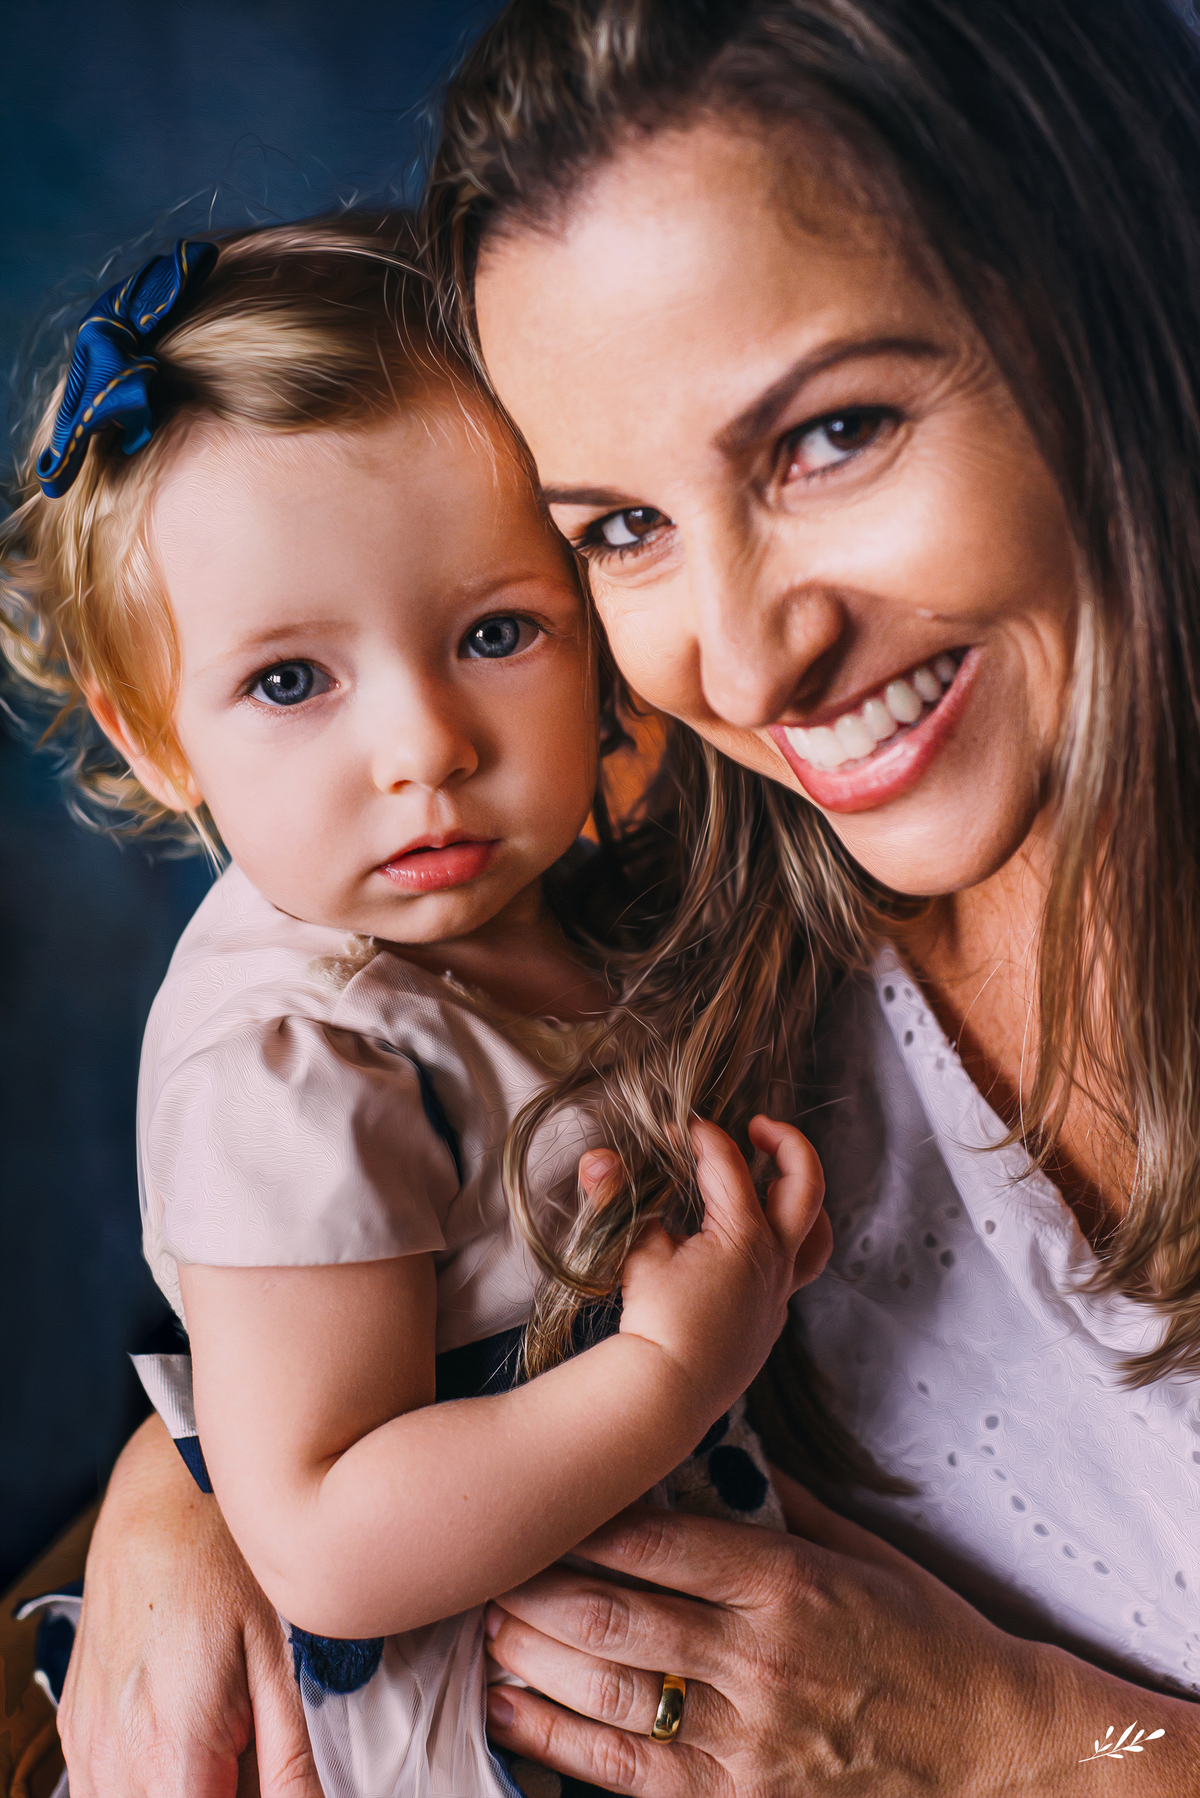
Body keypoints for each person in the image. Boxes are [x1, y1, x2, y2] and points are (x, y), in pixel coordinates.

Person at [49, 0, 1200, 1791]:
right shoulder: (685, 889)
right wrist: (194, 1485)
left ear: (1120, 317)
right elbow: (341, 1286)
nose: (746, 657)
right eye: (617, 530)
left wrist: (1035, 1739)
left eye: (831, 436)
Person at [0, 209, 830, 1798]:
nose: (425, 744)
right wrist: (667, 1368)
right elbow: (322, 1536)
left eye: (494, 633)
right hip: (490, 1736)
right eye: (293, 681)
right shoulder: (294, 1058)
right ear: (159, 736)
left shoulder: (540, 912)